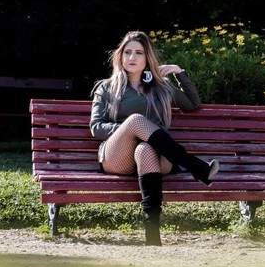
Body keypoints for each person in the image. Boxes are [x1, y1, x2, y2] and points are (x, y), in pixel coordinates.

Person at [90, 30, 219, 245]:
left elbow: (193, 104)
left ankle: (152, 234)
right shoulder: (107, 87)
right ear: (120, 56)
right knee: (134, 121)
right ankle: (195, 165)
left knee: (145, 149)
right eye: (127, 52)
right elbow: (96, 127)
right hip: (118, 157)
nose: (132, 58)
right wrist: (129, 128)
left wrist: (180, 73)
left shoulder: (161, 87)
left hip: (157, 158)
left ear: (147, 58)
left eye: (139, 53)